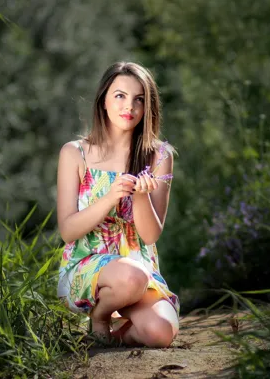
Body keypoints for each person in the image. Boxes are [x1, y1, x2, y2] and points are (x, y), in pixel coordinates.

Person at [56, 62, 180, 348]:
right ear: (103, 101)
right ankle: (99, 317)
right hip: (86, 266)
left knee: (160, 333)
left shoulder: (159, 156)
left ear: (149, 106)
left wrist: (140, 195)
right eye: (120, 96)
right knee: (132, 277)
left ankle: (112, 338)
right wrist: (110, 197)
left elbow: (150, 236)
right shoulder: (75, 153)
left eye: (139, 99)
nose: (130, 107)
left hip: (138, 268)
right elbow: (68, 231)